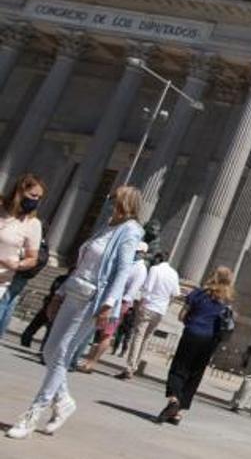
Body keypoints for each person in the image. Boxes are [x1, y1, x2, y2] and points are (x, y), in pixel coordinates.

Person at [6, 186, 145, 439]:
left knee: (61, 352)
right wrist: (58, 294)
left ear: (125, 203)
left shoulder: (131, 231)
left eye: (112, 198)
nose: (108, 201)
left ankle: (33, 414)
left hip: (93, 299)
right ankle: (64, 401)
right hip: (73, 292)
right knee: (49, 350)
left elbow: (123, 270)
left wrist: (108, 304)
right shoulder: (106, 227)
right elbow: (82, 264)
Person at [158, 265, 235, 425]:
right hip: (210, 341)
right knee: (195, 374)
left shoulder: (198, 293)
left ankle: (173, 399)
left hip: (192, 334)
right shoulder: (227, 301)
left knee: (179, 368)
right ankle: (178, 413)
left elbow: (182, 315)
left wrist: (192, 321)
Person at [79, 241, 148, 372]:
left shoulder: (141, 269)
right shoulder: (128, 263)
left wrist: (122, 307)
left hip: (121, 302)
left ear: (143, 254)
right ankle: (88, 358)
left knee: (107, 333)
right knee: (98, 330)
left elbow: (132, 291)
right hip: (111, 298)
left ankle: (92, 361)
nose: (134, 253)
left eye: (137, 252)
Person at [118, 250, 180, 379]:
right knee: (146, 338)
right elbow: (176, 293)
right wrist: (166, 305)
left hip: (148, 306)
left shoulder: (155, 270)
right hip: (160, 310)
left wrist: (140, 304)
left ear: (158, 259)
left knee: (138, 336)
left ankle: (129, 367)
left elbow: (147, 288)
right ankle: (135, 366)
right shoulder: (174, 273)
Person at [0, 174, 46, 337]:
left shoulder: (33, 224)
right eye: (33, 195)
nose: (36, 201)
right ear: (20, 191)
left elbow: (32, 258)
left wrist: (17, 265)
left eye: (39, 198)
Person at [20, 271, 69, 349]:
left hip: (53, 306)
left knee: (45, 331)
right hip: (51, 305)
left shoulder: (63, 279)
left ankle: (37, 347)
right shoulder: (63, 279)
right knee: (37, 329)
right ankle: (29, 345)